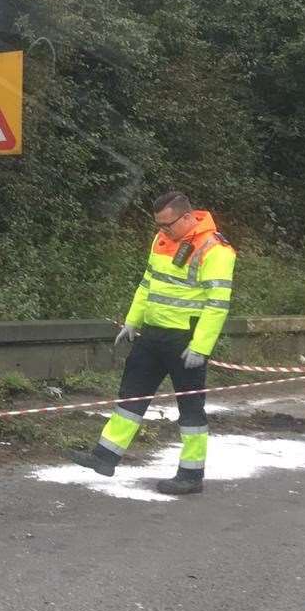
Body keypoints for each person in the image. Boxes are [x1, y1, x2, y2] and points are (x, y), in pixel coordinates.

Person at [68, 191, 236, 495]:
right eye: (158, 224)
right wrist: (132, 321)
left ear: (187, 217)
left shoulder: (216, 249)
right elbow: (147, 284)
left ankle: (191, 474)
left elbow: (217, 303)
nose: (162, 230)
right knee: (130, 397)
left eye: (168, 224)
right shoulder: (161, 240)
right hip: (152, 334)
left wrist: (201, 346)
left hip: (186, 339)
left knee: (191, 409)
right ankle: (105, 456)